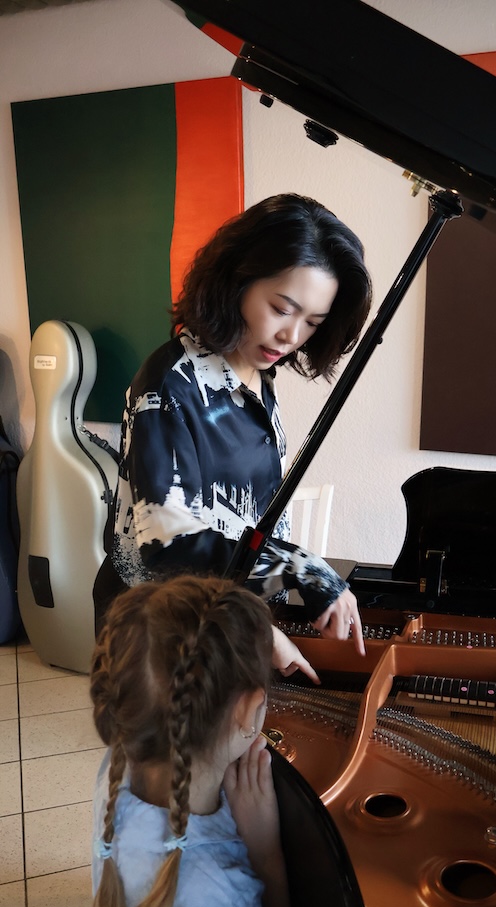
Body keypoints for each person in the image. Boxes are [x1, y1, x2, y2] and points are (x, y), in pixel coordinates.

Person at [94, 194, 372, 654]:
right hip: (159, 637)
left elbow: (249, 519)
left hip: (225, 619)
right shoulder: (170, 384)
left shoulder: (257, 374)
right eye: (282, 308)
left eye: (313, 322)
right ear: (236, 280)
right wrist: (301, 568)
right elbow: (168, 544)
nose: (291, 336)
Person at [68, 574, 345, 907]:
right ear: (248, 710)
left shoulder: (116, 767)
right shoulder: (216, 898)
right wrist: (267, 857)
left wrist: (253, 638)